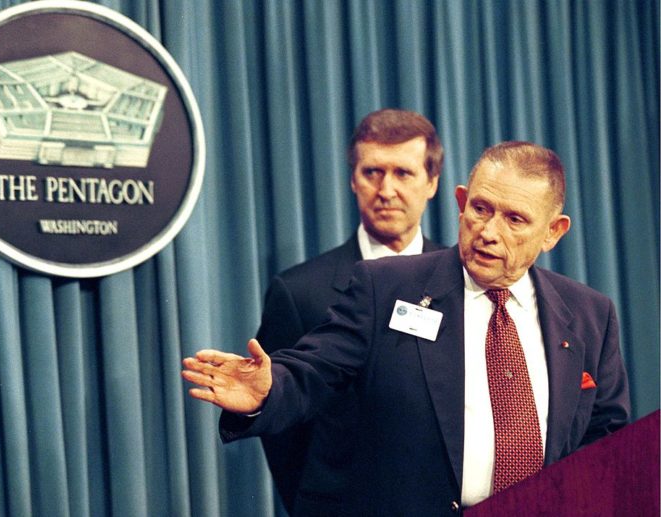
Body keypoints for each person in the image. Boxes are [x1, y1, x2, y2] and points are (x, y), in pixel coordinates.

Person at [182, 142, 630, 516]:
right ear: (459, 202)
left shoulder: (591, 314)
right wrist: (267, 390)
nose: (489, 231)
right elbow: (314, 369)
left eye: (515, 220)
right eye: (480, 208)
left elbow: (605, 437)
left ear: (553, 232)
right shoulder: (387, 287)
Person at [256, 109, 445, 514]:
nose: (387, 190)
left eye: (404, 173)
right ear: (352, 180)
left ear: (432, 183)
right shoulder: (299, 291)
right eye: (373, 172)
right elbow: (283, 431)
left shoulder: (462, 283)